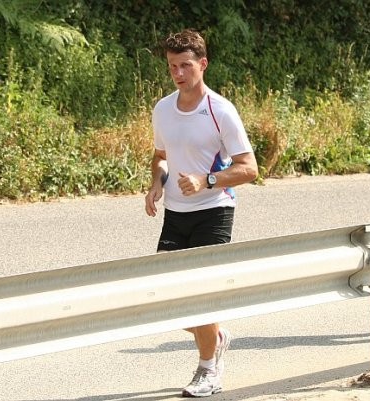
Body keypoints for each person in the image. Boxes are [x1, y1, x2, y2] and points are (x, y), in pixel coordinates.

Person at [145, 29, 258, 397]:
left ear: (203, 64)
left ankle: (208, 370)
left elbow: (249, 168)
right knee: (165, 298)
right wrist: (156, 184)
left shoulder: (220, 110)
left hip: (214, 209)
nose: (178, 73)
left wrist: (206, 179)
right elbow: (161, 157)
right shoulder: (163, 108)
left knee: (200, 295)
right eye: (173, 66)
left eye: (186, 66)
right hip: (176, 212)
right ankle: (215, 335)